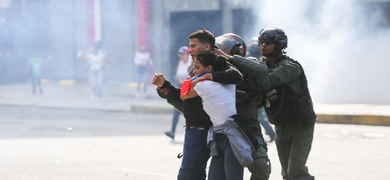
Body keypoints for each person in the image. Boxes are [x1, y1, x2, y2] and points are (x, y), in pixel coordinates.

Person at [151, 29, 243, 180]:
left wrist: (208, 75)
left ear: (207, 47)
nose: (190, 50)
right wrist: (164, 86)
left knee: (188, 175)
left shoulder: (216, 64)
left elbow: (236, 76)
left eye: (193, 46)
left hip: (203, 130)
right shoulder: (196, 67)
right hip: (192, 129)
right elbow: (184, 96)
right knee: (195, 174)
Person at [181, 52, 254, 180]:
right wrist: (207, 76)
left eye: (197, 68)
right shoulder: (229, 82)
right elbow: (234, 75)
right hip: (220, 137)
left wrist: (199, 79)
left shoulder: (204, 86)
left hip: (230, 139)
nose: (194, 72)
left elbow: (183, 95)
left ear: (209, 68)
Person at [257, 27, 316, 180]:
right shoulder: (262, 67)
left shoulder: (290, 67)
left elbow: (267, 81)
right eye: (261, 42)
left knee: (296, 172)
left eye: (268, 42)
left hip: (301, 124)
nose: (263, 45)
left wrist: (235, 60)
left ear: (279, 45)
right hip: (282, 126)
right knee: (286, 174)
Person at [213, 33, 271, 180]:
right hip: (224, 128)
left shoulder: (247, 64)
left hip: (248, 127)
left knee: (261, 167)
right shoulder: (213, 69)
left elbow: (262, 73)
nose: (220, 52)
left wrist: (232, 60)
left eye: (225, 49)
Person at [247, 37, 276, 142]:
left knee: (259, 116)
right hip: (256, 94)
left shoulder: (262, 61)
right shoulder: (257, 59)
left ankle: (269, 134)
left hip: (257, 94)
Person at [165, 46, 193, 140]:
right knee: (176, 110)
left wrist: (183, 81)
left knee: (189, 112)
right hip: (181, 90)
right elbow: (177, 76)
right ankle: (172, 131)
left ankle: (190, 133)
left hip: (189, 91)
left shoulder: (192, 63)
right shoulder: (179, 63)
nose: (181, 56)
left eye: (183, 54)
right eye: (180, 54)